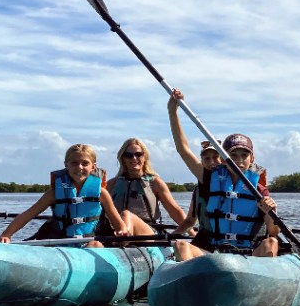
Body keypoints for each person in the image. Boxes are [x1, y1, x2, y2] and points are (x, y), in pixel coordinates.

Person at [167, 89, 279, 261]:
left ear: (252, 159)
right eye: (233, 155)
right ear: (225, 159)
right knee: (181, 246)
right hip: (215, 253)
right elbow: (183, 150)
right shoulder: (210, 179)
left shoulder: (260, 190)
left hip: (249, 255)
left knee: (271, 243)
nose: (239, 160)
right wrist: (172, 111)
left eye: (244, 155)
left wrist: (271, 212)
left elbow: (273, 232)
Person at [0, 144, 135, 246]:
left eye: (84, 163)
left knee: (96, 245)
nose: (79, 167)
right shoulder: (55, 193)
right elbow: (27, 215)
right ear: (66, 165)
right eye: (74, 163)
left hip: (88, 243)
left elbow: (119, 225)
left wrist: (122, 231)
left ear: (93, 167)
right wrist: (6, 235)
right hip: (61, 243)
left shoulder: (101, 193)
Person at [103, 138, 187, 234]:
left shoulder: (155, 183)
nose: (134, 158)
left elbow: (174, 211)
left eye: (138, 154)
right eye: (128, 155)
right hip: (116, 230)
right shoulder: (112, 184)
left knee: (126, 214)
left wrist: (192, 234)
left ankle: (124, 238)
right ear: (123, 159)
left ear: (144, 157)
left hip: (147, 231)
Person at [173, 141, 223, 236]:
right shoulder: (198, 190)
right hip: (206, 240)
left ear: (223, 159)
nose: (212, 162)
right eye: (207, 158)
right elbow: (190, 221)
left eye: (215, 157)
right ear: (202, 162)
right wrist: (172, 235)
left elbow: (183, 150)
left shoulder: (232, 182)